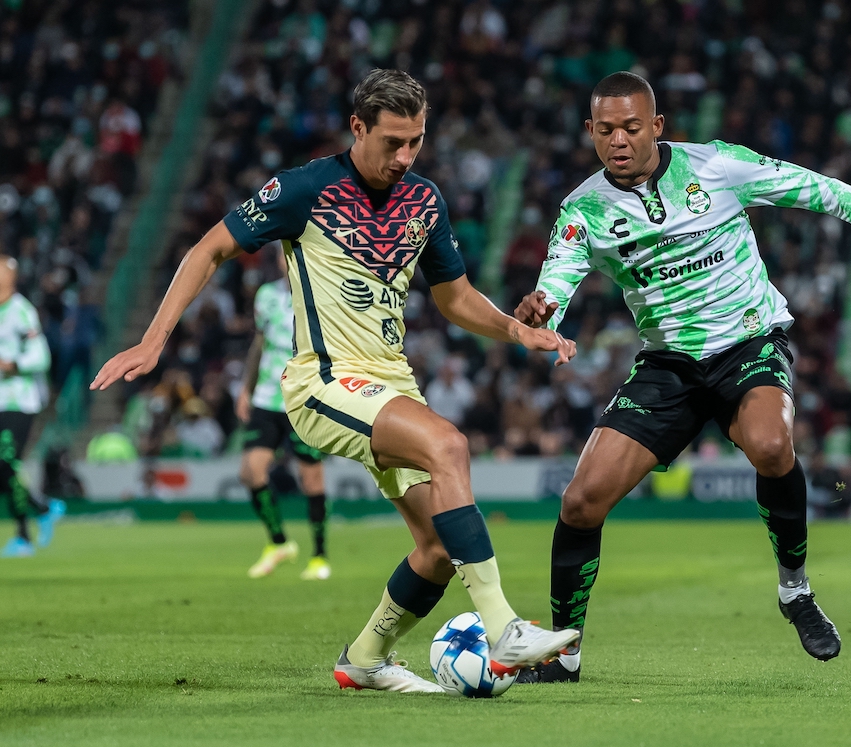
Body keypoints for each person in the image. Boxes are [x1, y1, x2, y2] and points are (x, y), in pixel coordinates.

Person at [90, 69, 580, 692]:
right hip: (324, 380)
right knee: (450, 444)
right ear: (358, 128)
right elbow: (206, 249)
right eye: (393, 142)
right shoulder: (305, 189)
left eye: (417, 142)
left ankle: (365, 659)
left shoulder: (425, 202)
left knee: (433, 546)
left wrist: (516, 328)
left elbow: (454, 299)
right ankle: (505, 627)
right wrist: (154, 339)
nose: (405, 157)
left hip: (391, 384)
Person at [513, 72, 851, 683]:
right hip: (669, 364)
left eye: (632, 127)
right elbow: (559, 277)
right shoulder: (583, 210)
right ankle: (563, 655)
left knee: (769, 444)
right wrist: (543, 308)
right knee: (580, 503)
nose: (619, 141)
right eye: (606, 130)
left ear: (658, 126)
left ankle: (795, 590)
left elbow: (824, 191)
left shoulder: (718, 166)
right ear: (590, 132)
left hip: (748, 341)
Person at [235, 246, 330, 580]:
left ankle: (320, 556)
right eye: (282, 254)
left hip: (303, 397)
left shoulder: (322, 292)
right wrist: (245, 389)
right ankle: (279, 542)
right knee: (250, 471)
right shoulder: (267, 296)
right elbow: (259, 343)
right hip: (266, 396)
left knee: (311, 478)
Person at [0, 255, 65, 557]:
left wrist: (13, 364)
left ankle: (24, 537)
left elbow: (41, 356)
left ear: (11, 277)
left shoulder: (21, 312)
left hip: (19, 400)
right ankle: (43, 508)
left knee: (5, 463)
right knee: (3, 468)